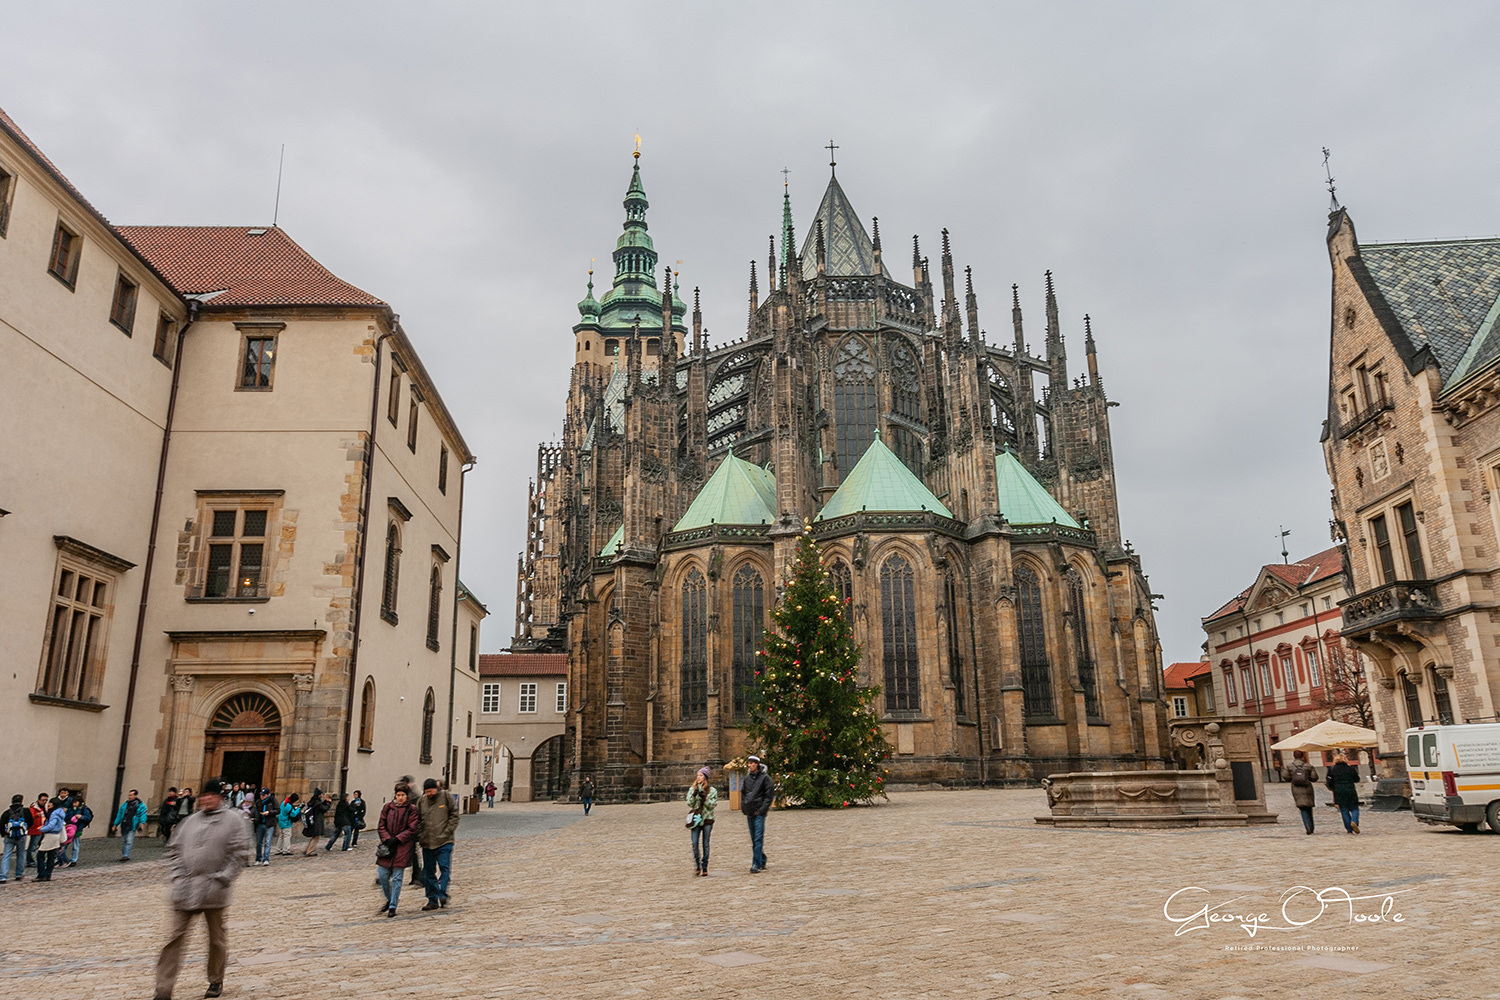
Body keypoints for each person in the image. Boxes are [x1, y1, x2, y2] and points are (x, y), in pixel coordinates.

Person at [153, 778, 251, 1000]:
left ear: (219, 798)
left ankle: (215, 979)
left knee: (216, 940)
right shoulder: (188, 822)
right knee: (174, 939)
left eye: (211, 795)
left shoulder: (233, 820)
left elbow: (240, 853)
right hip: (185, 889)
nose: (206, 799)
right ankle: (163, 988)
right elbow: (174, 850)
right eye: (204, 795)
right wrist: (177, 875)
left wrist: (224, 878)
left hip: (214, 890)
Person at [376, 783, 420, 917]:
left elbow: (412, 828)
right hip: (387, 846)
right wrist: (386, 838)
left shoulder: (412, 809)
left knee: (397, 878)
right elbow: (381, 825)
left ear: (407, 796)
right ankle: (389, 899)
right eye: (398, 795)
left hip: (402, 847)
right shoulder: (388, 807)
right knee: (383, 875)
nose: (400, 797)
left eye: (403, 795)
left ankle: (393, 906)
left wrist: (398, 839)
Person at [416, 778, 460, 910]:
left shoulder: (445, 797)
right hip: (427, 842)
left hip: (444, 841)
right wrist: (420, 835)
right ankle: (432, 899)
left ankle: (443, 893)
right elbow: (418, 820)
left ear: (436, 789)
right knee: (429, 872)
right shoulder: (422, 801)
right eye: (426, 792)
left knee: (444, 868)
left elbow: (454, 815)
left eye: (430, 791)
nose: (429, 794)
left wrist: (448, 831)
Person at [741, 754, 772, 874]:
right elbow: (743, 793)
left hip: (759, 811)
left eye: (752, 763)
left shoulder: (765, 778)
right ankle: (762, 858)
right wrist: (743, 806)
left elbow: (768, 795)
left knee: (758, 837)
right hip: (750, 810)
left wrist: (763, 809)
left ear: (757, 764)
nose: (750, 765)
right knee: (754, 838)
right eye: (749, 763)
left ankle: (756, 863)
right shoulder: (747, 779)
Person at [1279, 751, 1320, 835]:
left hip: (1296, 788)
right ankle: (1311, 827)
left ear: (1294, 756)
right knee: (1309, 807)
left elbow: (1285, 776)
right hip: (1307, 788)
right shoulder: (1308, 766)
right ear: (1302, 756)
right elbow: (1314, 777)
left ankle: (1307, 827)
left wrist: (1293, 779)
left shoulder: (1289, 766)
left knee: (1302, 808)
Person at [687, 767, 717, 877]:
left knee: (706, 844)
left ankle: (705, 866)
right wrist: (694, 795)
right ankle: (697, 865)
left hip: (707, 819)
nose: (698, 777)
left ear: (705, 777)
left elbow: (712, 805)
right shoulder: (692, 789)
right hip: (696, 819)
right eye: (697, 775)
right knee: (694, 843)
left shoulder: (712, 790)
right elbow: (689, 803)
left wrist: (705, 799)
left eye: (700, 775)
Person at [1326, 752, 1363, 834]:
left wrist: (1333, 788)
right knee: (1354, 808)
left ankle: (1349, 829)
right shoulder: (1350, 769)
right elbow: (1357, 779)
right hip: (1350, 789)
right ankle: (1354, 821)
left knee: (1344, 810)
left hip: (1338, 791)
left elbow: (1329, 782)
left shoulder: (1332, 769)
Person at [34, 798, 68, 882]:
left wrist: (42, 829)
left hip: (50, 835)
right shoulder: (60, 812)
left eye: (51, 803)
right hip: (56, 835)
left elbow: (51, 825)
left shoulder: (54, 813)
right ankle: (48, 875)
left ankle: (41, 874)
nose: (48, 804)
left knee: (40, 855)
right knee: (51, 856)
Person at [114, 789, 149, 861]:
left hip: (132, 825)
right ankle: (124, 854)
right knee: (124, 841)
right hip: (124, 824)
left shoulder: (140, 805)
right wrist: (115, 824)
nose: (129, 796)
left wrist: (142, 823)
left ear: (135, 796)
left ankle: (126, 855)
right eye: (129, 795)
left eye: (131, 795)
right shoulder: (125, 805)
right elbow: (119, 814)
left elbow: (143, 814)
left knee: (129, 840)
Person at [2, 794, 30, 883]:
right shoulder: (25, 811)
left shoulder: (7, 813)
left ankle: (3, 876)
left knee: (6, 855)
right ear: (21, 801)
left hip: (9, 836)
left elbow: (1, 824)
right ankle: (19, 874)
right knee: (21, 854)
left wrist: (4, 834)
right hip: (21, 836)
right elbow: (31, 822)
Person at [62, 792, 93, 867]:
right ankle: (62, 858)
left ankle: (74, 860)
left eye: (75, 803)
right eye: (73, 803)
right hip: (69, 828)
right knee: (64, 844)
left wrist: (81, 817)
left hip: (78, 829)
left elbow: (88, 818)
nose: (74, 804)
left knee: (75, 845)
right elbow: (67, 817)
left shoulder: (84, 809)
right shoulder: (71, 809)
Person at [252, 789, 277, 865]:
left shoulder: (273, 800)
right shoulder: (258, 802)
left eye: (263, 795)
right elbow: (255, 811)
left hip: (269, 824)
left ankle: (266, 858)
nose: (261, 796)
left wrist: (269, 812)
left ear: (267, 795)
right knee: (258, 843)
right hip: (260, 823)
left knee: (267, 842)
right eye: (261, 795)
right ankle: (258, 858)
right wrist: (254, 817)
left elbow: (278, 810)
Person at [302, 789, 330, 856]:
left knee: (314, 836)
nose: (322, 795)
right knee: (316, 837)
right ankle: (309, 851)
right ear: (318, 795)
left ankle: (307, 850)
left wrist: (324, 802)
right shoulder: (317, 802)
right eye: (321, 794)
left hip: (313, 820)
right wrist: (328, 803)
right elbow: (324, 809)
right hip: (317, 821)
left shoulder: (313, 801)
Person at [25, 792, 49, 870]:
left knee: (41, 846)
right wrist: (36, 815)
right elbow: (30, 817)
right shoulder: (33, 808)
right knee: (33, 846)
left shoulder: (44, 808)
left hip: (42, 829)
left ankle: (39, 860)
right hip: (36, 829)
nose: (44, 802)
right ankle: (30, 861)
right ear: (38, 800)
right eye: (43, 800)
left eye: (46, 800)